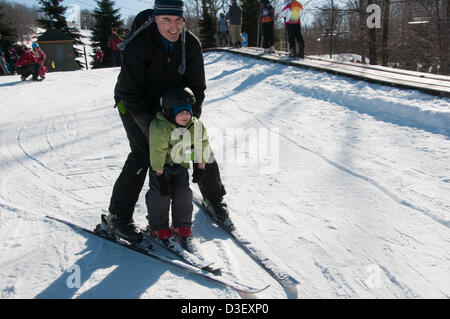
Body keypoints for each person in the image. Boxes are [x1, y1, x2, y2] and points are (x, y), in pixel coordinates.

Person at [106, 0, 232, 244]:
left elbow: (197, 88)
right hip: (135, 101)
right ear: (156, 19)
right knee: (144, 152)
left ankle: (214, 199)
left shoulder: (191, 44)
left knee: (198, 144)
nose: (173, 27)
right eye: (166, 20)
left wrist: (189, 122)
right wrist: (152, 130)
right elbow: (130, 91)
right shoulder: (139, 44)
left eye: (178, 21)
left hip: (175, 103)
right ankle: (118, 217)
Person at [147, 86, 211, 246]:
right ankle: (158, 227)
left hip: (180, 164)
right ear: (169, 112)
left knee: (183, 194)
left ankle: (181, 226)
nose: (186, 116)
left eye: (188, 112)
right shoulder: (160, 127)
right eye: (180, 112)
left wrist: (201, 167)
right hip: (160, 167)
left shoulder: (195, 125)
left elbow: (202, 144)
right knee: (160, 195)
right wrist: (159, 174)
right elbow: (157, 150)